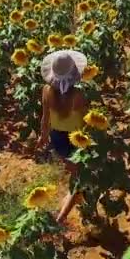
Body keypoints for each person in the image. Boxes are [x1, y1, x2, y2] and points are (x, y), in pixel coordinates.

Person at [37, 50, 88, 224]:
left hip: (57, 139)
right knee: (78, 180)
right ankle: (60, 218)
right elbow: (84, 122)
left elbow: (45, 118)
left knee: (74, 174)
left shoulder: (46, 91)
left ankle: (76, 200)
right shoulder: (78, 96)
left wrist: (43, 136)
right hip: (77, 139)